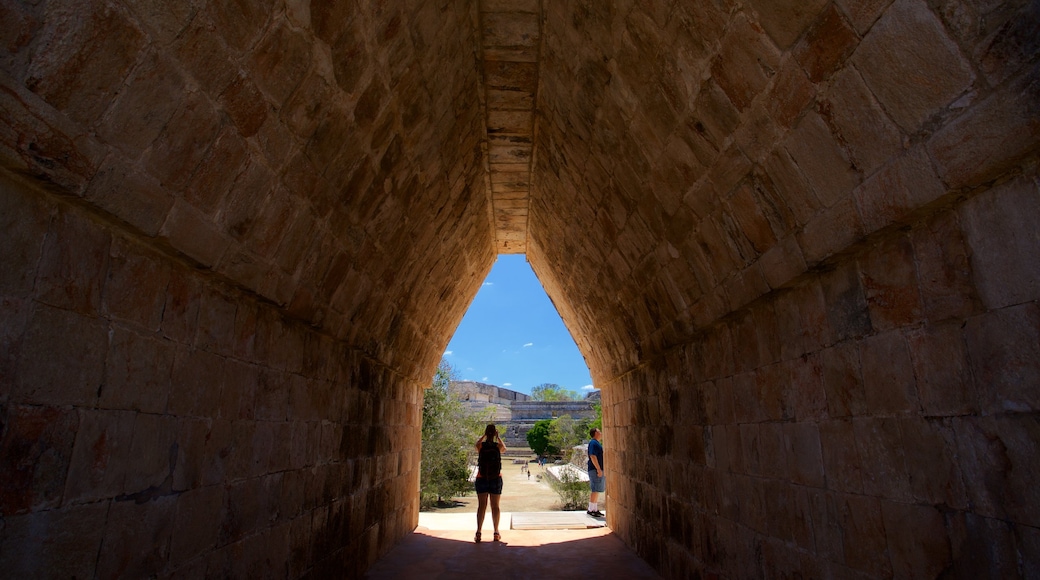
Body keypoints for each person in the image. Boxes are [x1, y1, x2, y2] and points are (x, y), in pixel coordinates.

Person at [474, 424, 506, 542]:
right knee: (495, 506)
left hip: (481, 477)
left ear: (486, 433)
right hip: (496, 478)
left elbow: (476, 445)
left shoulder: (481, 446)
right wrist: (497, 437)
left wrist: (484, 436)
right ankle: (496, 532)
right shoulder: (497, 446)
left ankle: (478, 532)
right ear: (495, 433)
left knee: (481, 506)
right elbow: (504, 448)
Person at [587, 428, 604, 517]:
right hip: (595, 469)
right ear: (595, 433)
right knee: (595, 488)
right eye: (599, 431)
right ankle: (590, 509)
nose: (601, 433)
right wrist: (598, 469)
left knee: (597, 489)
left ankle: (594, 508)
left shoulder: (596, 443)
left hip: (597, 469)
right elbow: (593, 456)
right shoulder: (593, 443)